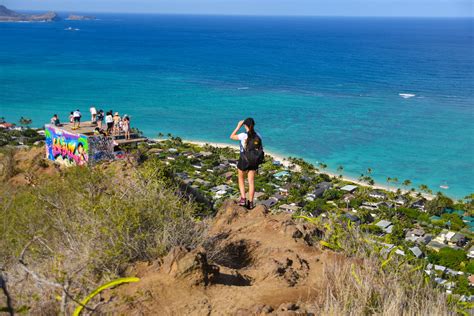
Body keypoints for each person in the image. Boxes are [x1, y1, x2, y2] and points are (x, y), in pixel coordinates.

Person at [230, 117, 264, 209]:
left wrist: (238, 126)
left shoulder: (243, 135)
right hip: (254, 161)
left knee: (241, 179)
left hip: (244, 159)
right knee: (251, 182)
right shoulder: (259, 135)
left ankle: (243, 199)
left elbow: (231, 136)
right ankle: (251, 203)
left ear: (245, 125)